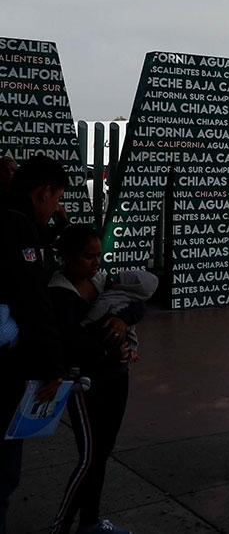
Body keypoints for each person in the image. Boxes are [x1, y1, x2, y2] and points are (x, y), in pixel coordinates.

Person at [47, 224, 147, 534]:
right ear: (66, 257)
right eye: (88, 257)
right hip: (84, 385)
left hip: (117, 378)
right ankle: (61, 527)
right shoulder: (58, 294)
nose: (96, 263)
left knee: (102, 453)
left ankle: (89, 521)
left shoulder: (102, 282)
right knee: (90, 457)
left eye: (99, 256)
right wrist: (112, 349)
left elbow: (138, 303)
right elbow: (74, 343)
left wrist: (122, 319)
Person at [0, 155, 68, 534]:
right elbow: (33, 303)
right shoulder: (16, 227)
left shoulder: (13, 219)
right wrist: (52, 367)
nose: (58, 207)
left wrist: (57, 220)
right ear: (43, 192)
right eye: (56, 199)